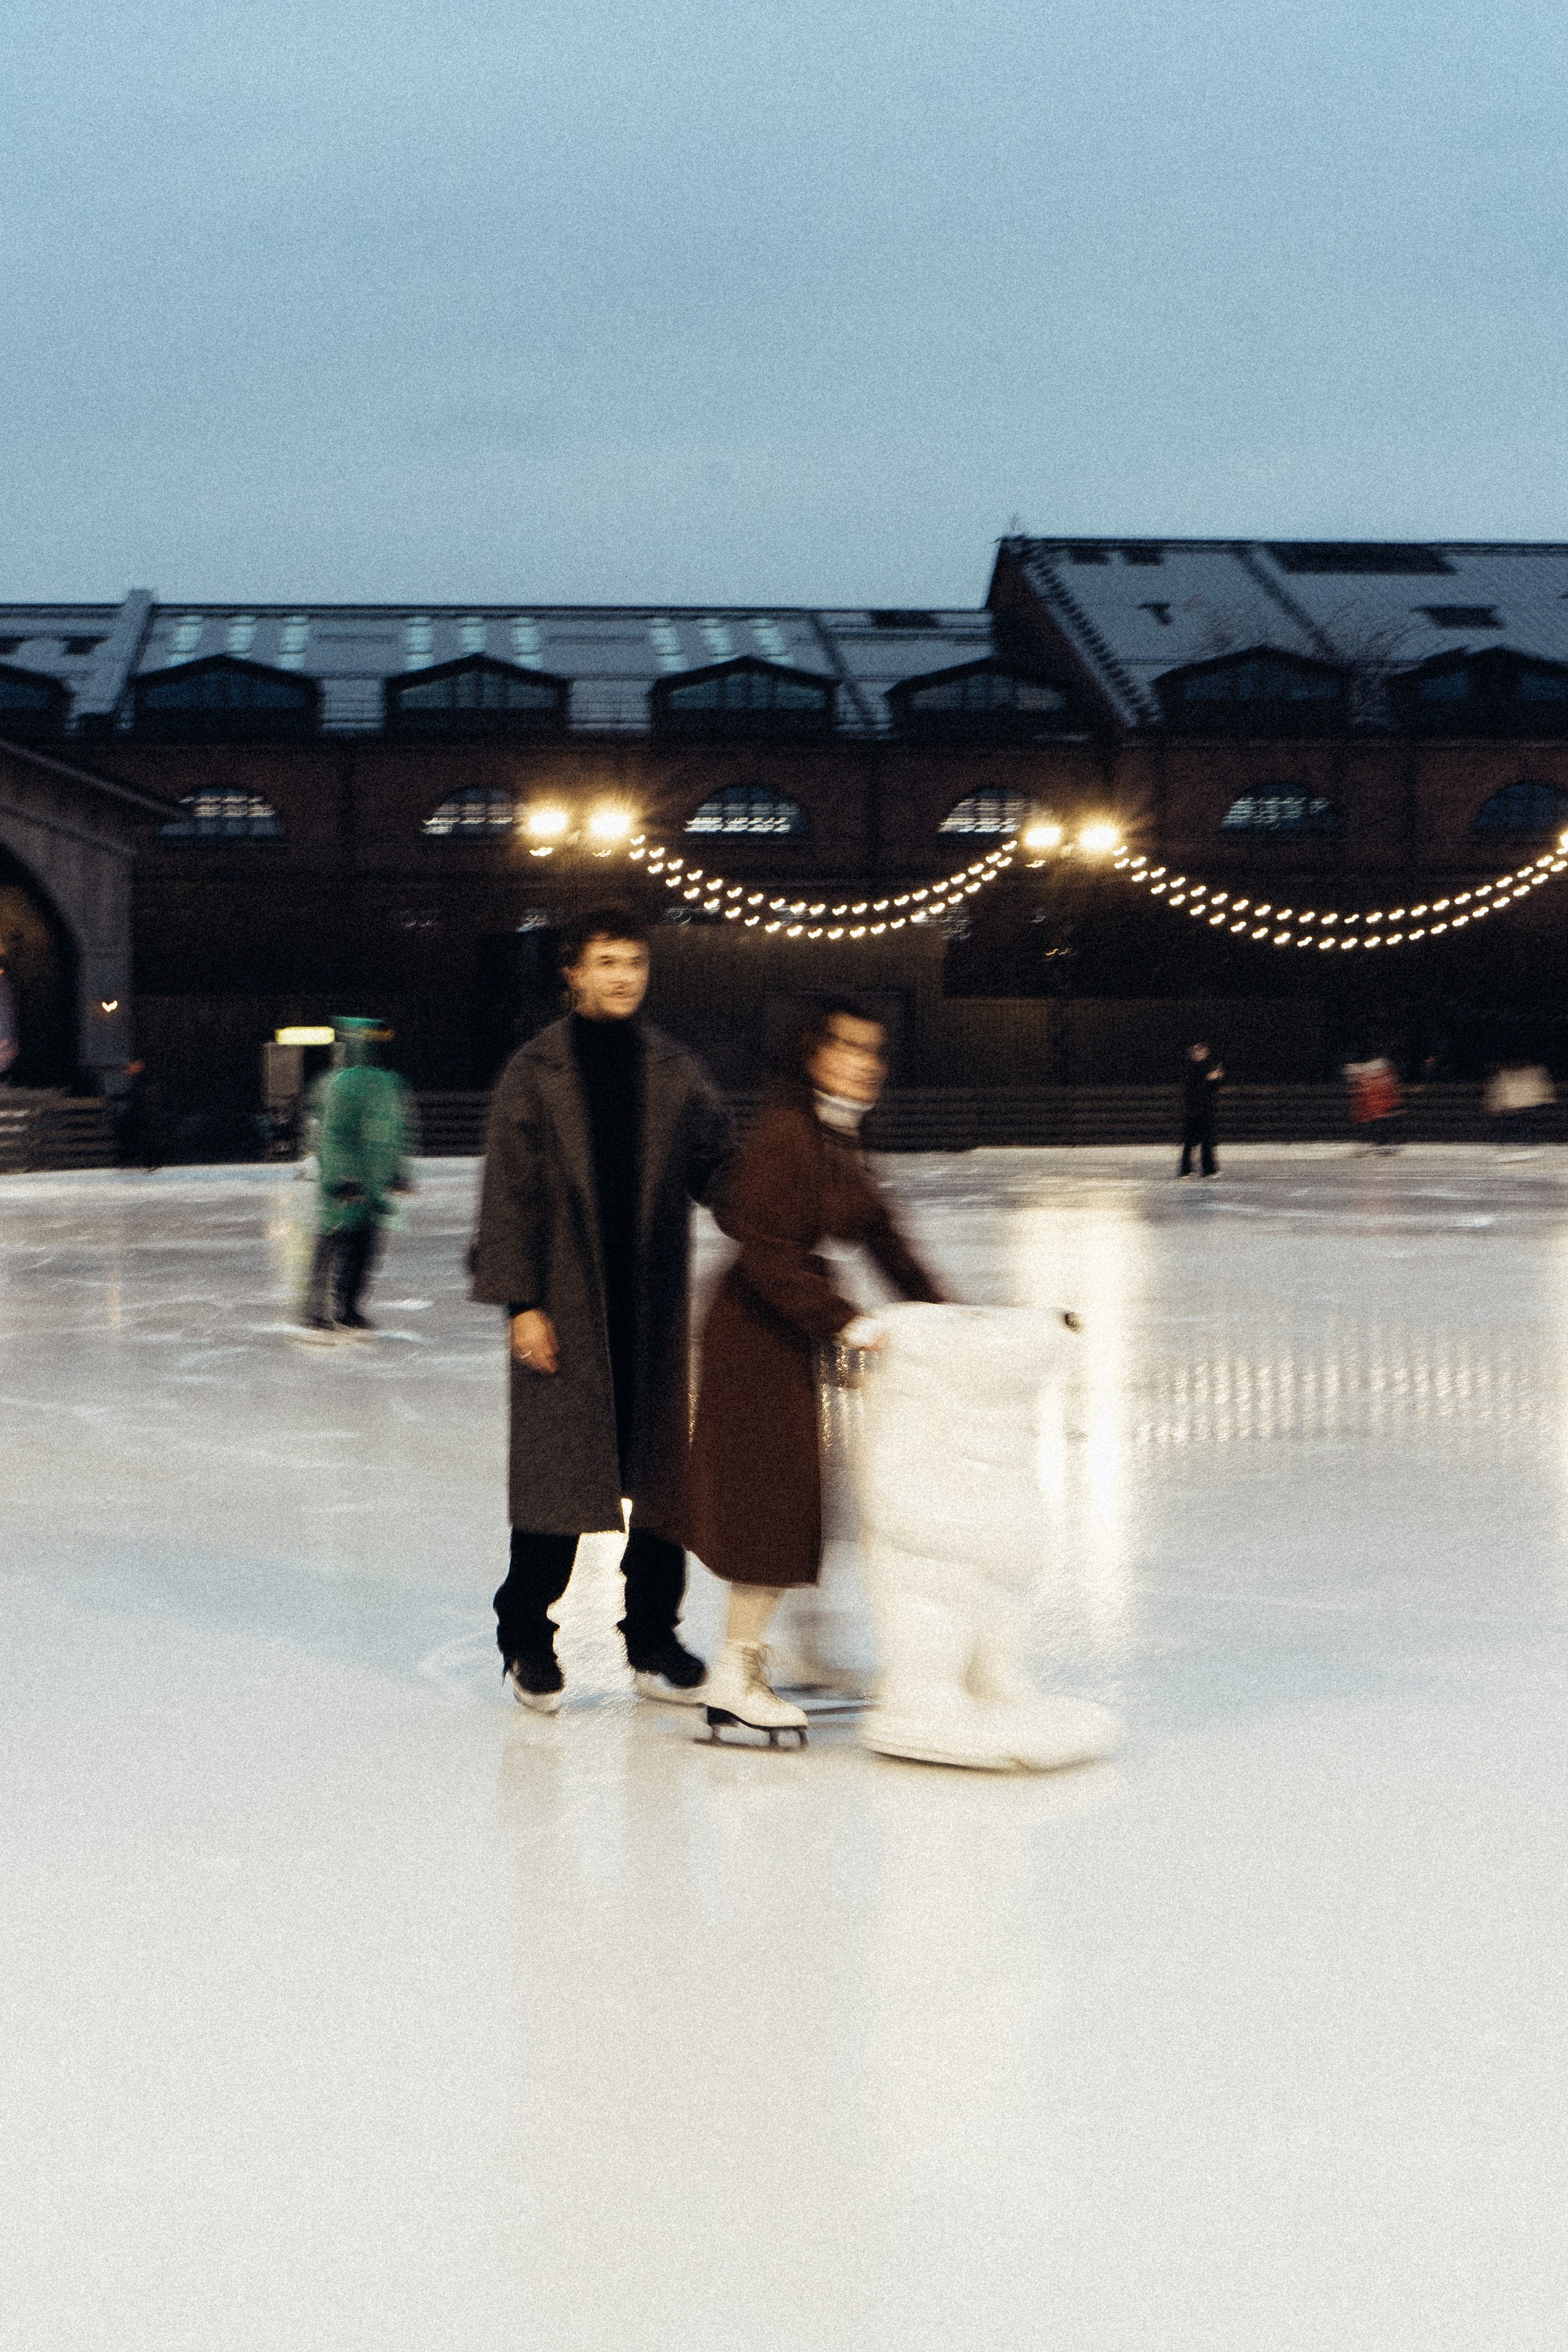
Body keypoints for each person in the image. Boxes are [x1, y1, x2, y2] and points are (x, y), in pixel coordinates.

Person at [470, 906, 734, 1713]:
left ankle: (652, 1635)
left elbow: (717, 1164)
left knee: (660, 1487)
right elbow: (508, 1196)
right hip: (568, 1306)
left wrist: (770, 1213)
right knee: (557, 1488)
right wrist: (524, 1304)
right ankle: (527, 1635)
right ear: (574, 973)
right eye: (608, 962)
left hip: (649, 1306)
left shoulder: (674, 1069)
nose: (624, 977)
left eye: (635, 963)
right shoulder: (535, 1069)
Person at [682, 997, 946, 1744]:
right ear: (813, 1055)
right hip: (753, 1336)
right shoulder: (785, 1135)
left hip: (787, 1330)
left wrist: (949, 1314)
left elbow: (884, 1237)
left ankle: (799, 1646)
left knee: (801, 1497)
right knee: (771, 1502)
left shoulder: (836, 1138)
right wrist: (846, 1323)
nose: (866, 1064)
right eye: (849, 1048)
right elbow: (767, 1254)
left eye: (875, 1051)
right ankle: (737, 1675)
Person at [297, 1017, 417, 1340]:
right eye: (374, 1038)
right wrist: (344, 1176)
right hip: (347, 1184)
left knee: (366, 1249)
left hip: (375, 1184)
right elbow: (333, 1135)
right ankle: (315, 1309)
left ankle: (348, 1307)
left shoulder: (390, 1083)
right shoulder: (340, 1084)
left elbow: (397, 1132)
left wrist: (399, 1171)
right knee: (335, 1243)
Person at [1485, 1060, 1556, 1152]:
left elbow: (1546, 1096)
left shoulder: (1534, 1073)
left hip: (1530, 1112)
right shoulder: (1504, 1075)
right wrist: (1496, 1107)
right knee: (1508, 1130)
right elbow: (1496, 1098)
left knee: (1526, 1128)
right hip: (1510, 1113)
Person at [1178, 1041, 1223, 1177]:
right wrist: (1208, 1079)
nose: (1199, 1054)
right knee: (1190, 1142)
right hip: (1193, 1111)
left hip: (1206, 1110)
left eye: (1202, 1052)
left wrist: (1216, 1079)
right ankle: (1185, 1170)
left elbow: (1212, 1090)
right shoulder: (1189, 1068)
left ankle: (1209, 1170)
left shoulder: (1208, 1067)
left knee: (1207, 1142)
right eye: (1197, 1052)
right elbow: (1192, 1089)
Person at [1345, 1053, 1401, 1153]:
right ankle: (1380, 1142)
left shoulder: (1373, 1077)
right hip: (1374, 1106)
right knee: (1377, 1123)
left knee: (1380, 1123)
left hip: (1376, 1106)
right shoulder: (1371, 1078)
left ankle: (1382, 1142)